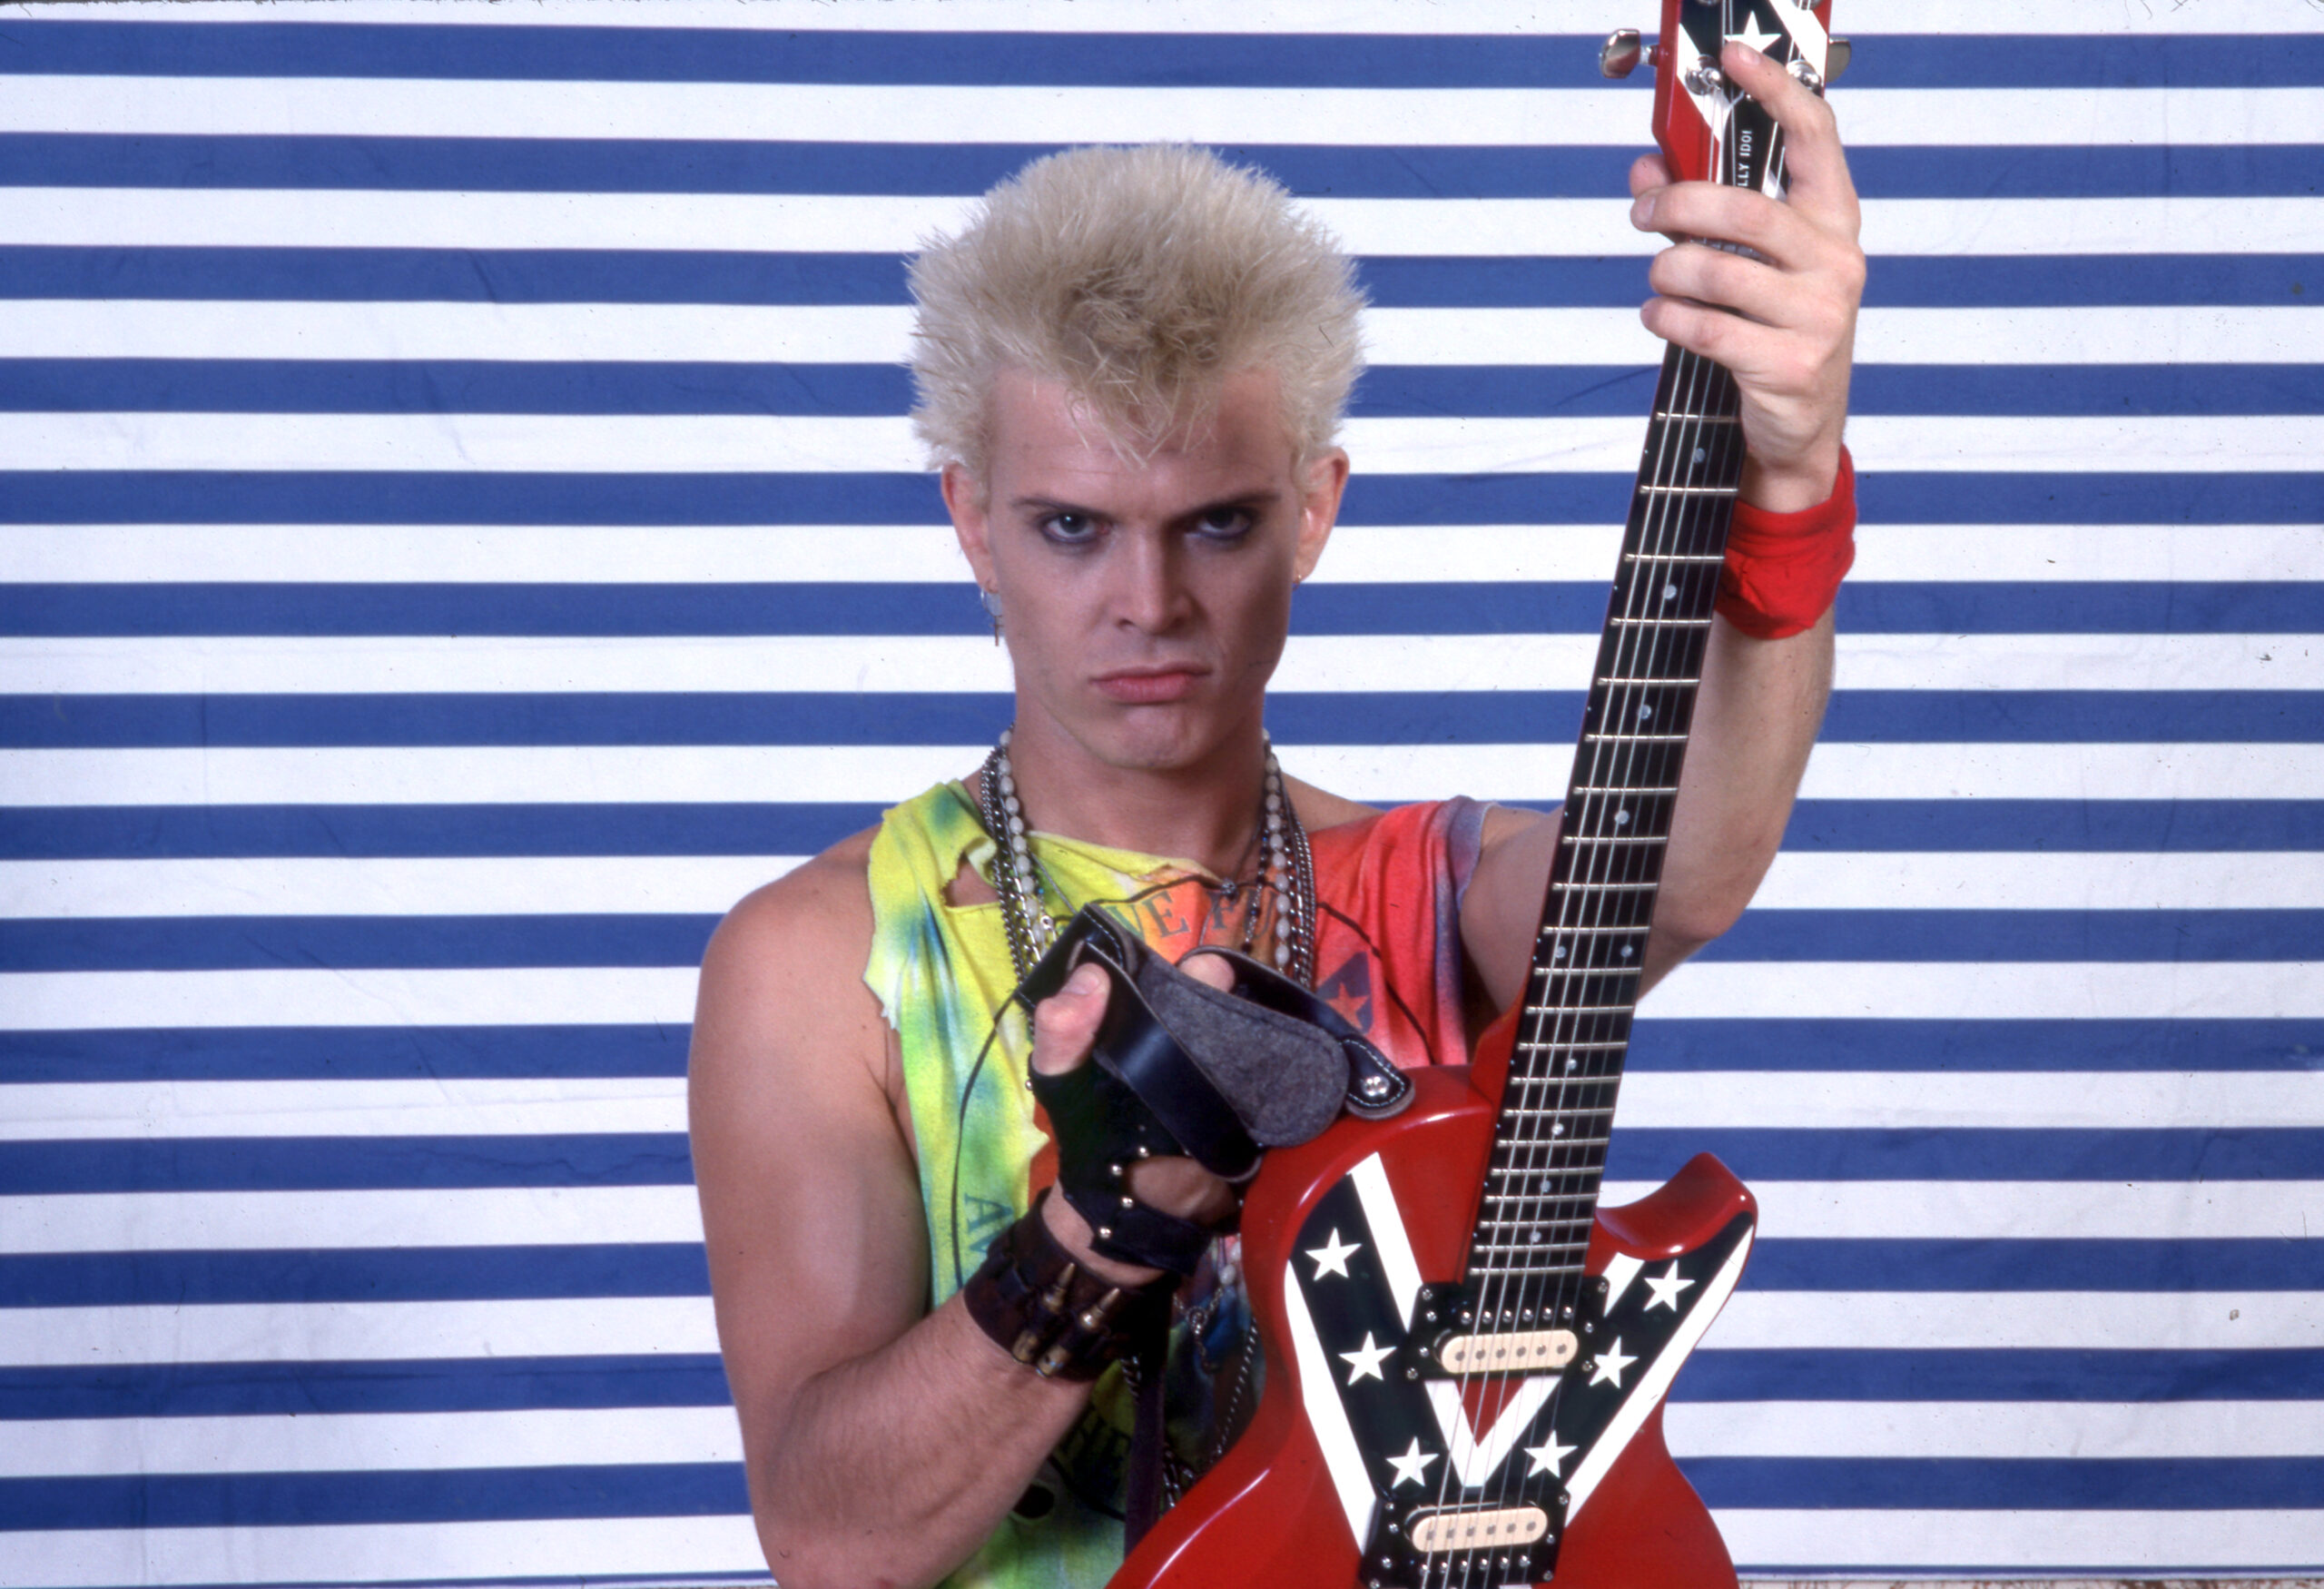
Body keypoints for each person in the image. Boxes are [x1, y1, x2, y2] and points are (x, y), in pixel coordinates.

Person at [689, 41, 1862, 1589]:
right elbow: (834, 1539)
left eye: (1218, 523)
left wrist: (1786, 480)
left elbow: (1683, 869)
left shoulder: (1423, 889)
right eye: (1070, 528)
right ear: (972, 518)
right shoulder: (827, 957)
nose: (1149, 602)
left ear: (1313, 506)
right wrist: (1109, 1214)